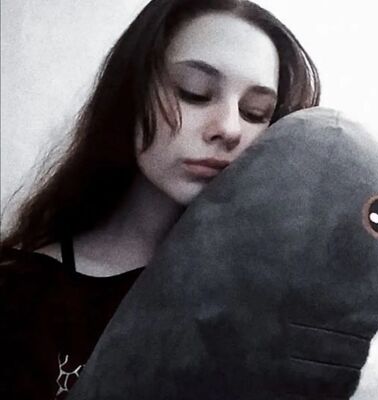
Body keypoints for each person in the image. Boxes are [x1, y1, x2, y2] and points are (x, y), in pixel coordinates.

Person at [0, 0, 320, 398]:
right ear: (131, 92)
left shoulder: (262, 304)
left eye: (256, 112)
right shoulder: (20, 294)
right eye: (194, 92)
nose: (229, 128)